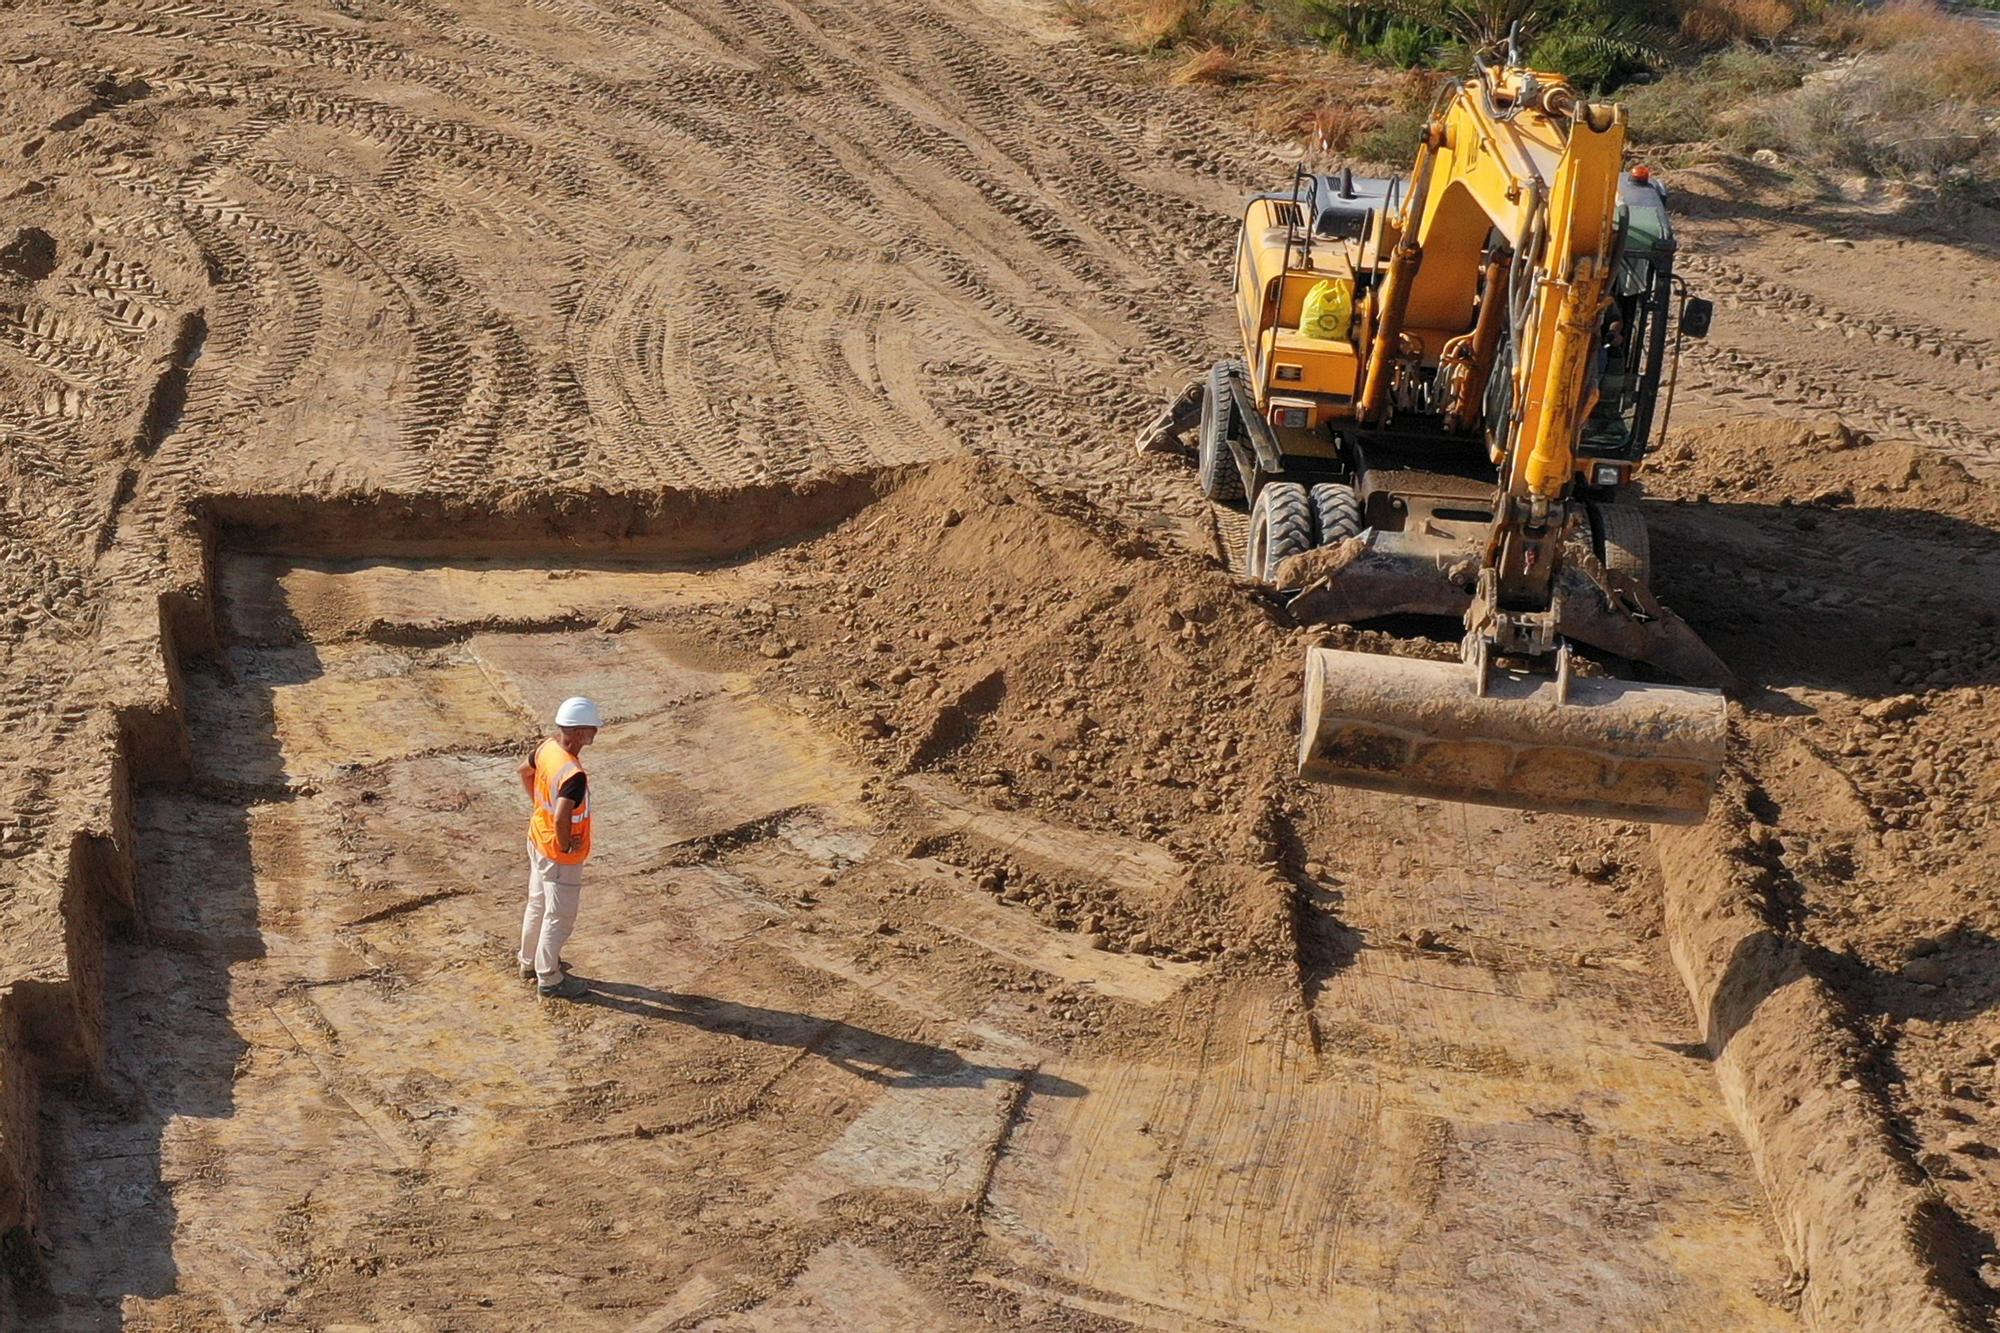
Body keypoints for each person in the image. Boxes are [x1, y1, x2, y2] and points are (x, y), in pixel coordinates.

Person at [518, 696, 601, 1000]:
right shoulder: (574, 775)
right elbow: (565, 813)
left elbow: (523, 772)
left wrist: (543, 810)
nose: (596, 732)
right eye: (593, 728)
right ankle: (550, 978)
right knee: (559, 915)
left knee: (537, 903)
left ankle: (529, 963)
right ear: (579, 733)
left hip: (537, 839)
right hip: (558, 855)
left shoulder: (546, 748)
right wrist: (565, 842)